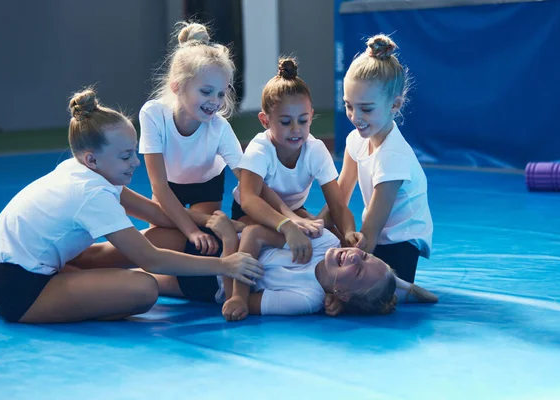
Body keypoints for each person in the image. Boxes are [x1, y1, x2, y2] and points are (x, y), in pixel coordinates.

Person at [0, 88, 262, 323]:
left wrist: (216, 223)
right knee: (142, 290)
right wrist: (225, 264)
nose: (135, 163)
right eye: (125, 157)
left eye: (134, 152)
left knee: (168, 233)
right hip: (20, 292)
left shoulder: (80, 168)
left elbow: (157, 213)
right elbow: (152, 260)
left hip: (9, 263)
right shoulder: (91, 194)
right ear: (93, 158)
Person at [146, 212, 437, 322]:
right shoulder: (325, 241)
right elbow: (255, 233)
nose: (354, 256)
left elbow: (241, 300)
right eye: (364, 256)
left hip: (208, 283)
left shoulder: (306, 299)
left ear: (341, 294)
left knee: (148, 281)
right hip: (215, 244)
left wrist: (236, 291)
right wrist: (228, 245)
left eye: (358, 269)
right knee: (141, 243)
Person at [321, 34, 433, 284]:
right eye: (349, 106)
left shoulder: (392, 157)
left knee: (352, 287)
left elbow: (370, 234)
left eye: (366, 108)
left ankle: (407, 291)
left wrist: (344, 259)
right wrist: (315, 229)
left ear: (395, 105)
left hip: (399, 244)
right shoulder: (356, 140)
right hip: (375, 237)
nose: (355, 116)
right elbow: (339, 197)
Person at [233, 57, 364, 266]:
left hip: (294, 212)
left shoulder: (315, 150)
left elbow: (337, 205)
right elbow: (249, 200)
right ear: (265, 120)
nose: (296, 129)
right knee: (261, 234)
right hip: (252, 215)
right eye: (286, 122)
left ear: (311, 116)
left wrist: (349, 233)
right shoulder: (259, 150)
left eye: (303, 120)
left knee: (339, 243)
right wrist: (287, 225)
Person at [138, 21, 243, 256]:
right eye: (206, 92)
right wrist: (190, 231)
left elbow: (247, 176)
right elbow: (159, 185)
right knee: (160, 240)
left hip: (206, 186)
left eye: (221, 93)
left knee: (202, 245)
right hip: (168, 187)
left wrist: (282, 216)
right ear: (177, 87)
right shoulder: (153, 114)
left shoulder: (219, 128)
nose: (215, 101)